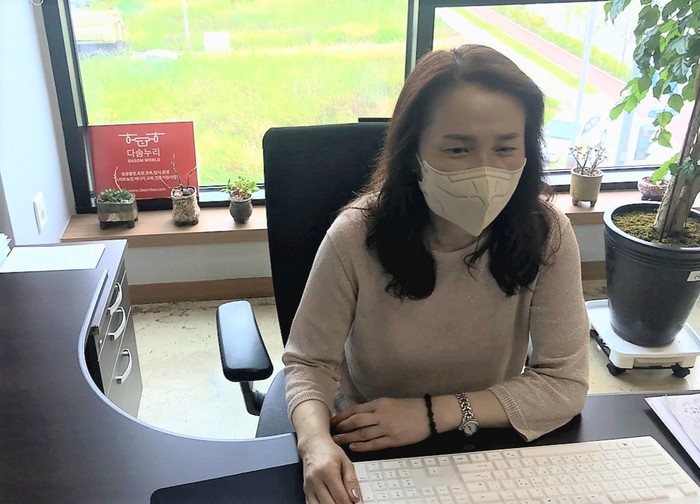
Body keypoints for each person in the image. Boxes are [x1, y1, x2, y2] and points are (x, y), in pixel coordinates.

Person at [282, 44, 589, 504]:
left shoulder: (548, 234)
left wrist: (432, 414)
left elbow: (564, 382)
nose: (485, 171)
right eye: (458, 149)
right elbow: (309, 363)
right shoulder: (355, 236)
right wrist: (315, 443)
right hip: (369, 441)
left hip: (485, 438)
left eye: (506, 147)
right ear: (413, 153)